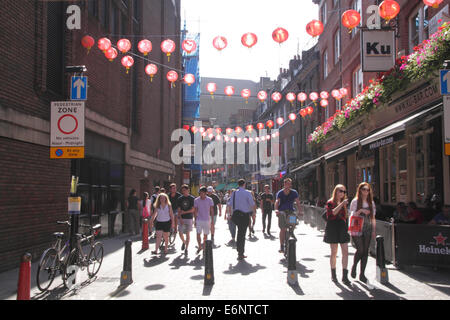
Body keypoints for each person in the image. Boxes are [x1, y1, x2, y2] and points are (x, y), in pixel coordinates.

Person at [349, 182, 376, 284]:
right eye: (364, 189)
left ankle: (362, 274)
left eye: (367, 189)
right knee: (360, 249)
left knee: (365, 251)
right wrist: (360, 210)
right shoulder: (355, 201)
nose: (366, 191)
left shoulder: (371, 203)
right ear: (360, 190)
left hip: (367, 227)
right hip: (357, 227)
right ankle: (354, 266)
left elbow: (373, 217)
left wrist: (373, 230)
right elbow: (351, 215)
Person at [324, 185, 350, 285]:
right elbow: (332, 213)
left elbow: (345, 216)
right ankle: (334, 274)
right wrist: (342, 204)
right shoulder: (330, 202)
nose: (342, 193)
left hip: (342, 228)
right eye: (340, 191)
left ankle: (345, 275)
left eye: (344, 191)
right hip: (333, 228)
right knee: (334, 252)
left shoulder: (344, 203)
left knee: (345, 252)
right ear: (336, 191)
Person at [228, 180, 256, 260]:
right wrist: (253, 213)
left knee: (239, 232)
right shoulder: (247, 193)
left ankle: (239, 250)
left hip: (236, 215)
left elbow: (230, 204)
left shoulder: (234, 193)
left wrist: (230, 214)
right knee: (242, 234)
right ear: (244, 184)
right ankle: (240, 252)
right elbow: (252, 204)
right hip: (244, 215)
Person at [274, 178, 302, 253]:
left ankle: (291, 233)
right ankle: (282, 245)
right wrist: (276, 210)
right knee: (283, 229)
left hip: (291, 211)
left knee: (292, 225)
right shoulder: (280, 192)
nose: (289, 185)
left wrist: (300, 211)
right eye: (287, 184)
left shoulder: (294, 192)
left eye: (290, 184)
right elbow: (277, 201)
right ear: (284, 184)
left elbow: (297, 202)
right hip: (282, 212)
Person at [194, 186, 214, 255]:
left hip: (207, 220)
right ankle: (199, 246)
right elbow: (195, 211)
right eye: (200, 193)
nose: (201, 194)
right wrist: (195, 220)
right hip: (199, 219)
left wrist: (212, 221)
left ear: (206, 193)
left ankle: (204, 248)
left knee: (205, 236)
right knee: (198, 234)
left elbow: (211, 210)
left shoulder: (210, 200)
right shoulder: (196, 200)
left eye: (202, 193)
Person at [177, 185, 195, 255]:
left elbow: (193, 209)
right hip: (181, 218)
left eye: (185, 190)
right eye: (182, 190)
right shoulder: (180, 198)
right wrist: (180, 218)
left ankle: (186, 249)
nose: (183, 192)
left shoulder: (192, 198)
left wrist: (185, 212)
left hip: (189, 218)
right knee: (180, 233)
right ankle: (184, 242)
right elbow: (179, 210)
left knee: (187, 233)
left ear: (188, 190)